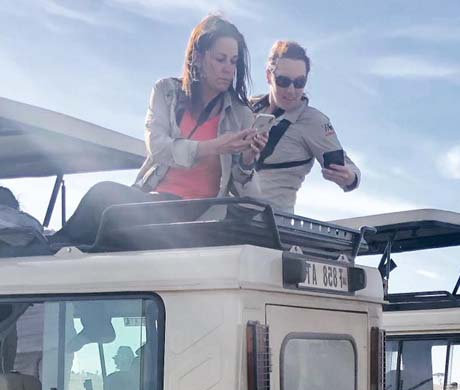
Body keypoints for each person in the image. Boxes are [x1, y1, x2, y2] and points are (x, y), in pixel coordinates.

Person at [53, 15, 266, 246]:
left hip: (199, 213)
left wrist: (247, 160)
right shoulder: (167, 92)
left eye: (234, 62)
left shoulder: (240, 114)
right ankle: (49, 252)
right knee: (103, 202)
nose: (228, 69)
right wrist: (214, 146)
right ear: (198, 57)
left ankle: (49, 252)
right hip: (153, 199)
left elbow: (243, 190)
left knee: (104, 199)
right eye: (220, 59)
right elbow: (157, 147)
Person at [245, 40, 360, 214]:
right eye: (283, 81)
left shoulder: (314, 121)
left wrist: (349, 177)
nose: (291, 90)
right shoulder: (246, 107)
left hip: (272, 226)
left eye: (299, 82)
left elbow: (350, 170)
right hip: (228, 219)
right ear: (269, 76)